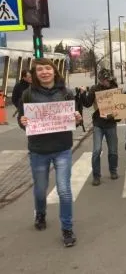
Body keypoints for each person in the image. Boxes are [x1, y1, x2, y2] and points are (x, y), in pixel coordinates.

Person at [17, 58, 82, 247]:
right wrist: (23, 123)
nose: (44, 72)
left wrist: (77, 118)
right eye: (40, 70)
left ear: (54, 71)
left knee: (64, 190)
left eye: (48, 68)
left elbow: (74, 119)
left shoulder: (66, 92)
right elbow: (24, 123)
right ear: (35, 75)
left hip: (62, 148)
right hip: (38, 150)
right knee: (40, 190)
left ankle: (67, 228)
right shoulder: (28, 95)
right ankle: (41, 213)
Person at [80, 69, 119, 186]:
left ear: (110, 79)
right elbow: (87, 103)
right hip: (98, 123)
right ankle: (96, 176)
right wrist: (82, 94)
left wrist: (118, 116)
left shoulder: (115, 89)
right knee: (96, 150)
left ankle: (113, 170)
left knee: (113, 150)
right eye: (102, 80)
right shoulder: (95, 89)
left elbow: (120, 106)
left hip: (111, 123)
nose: (105, 82)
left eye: (106, 79)